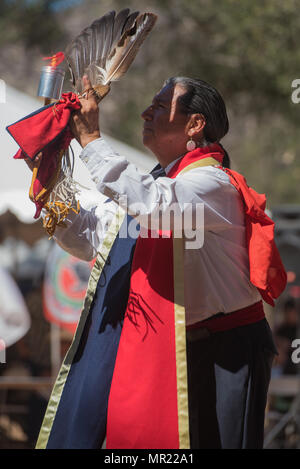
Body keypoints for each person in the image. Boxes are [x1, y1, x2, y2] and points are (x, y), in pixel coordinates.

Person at [34, 76, 286, 449]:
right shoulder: (156, 183)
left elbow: (155, 206)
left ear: (195, 124)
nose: (144, 113)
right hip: (169, 347)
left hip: (226, 352)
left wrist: (91, 142)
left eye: (159, 105)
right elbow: (94, 238)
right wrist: (50, 180)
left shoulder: (211, 183)